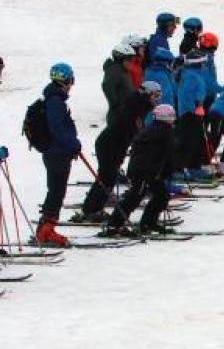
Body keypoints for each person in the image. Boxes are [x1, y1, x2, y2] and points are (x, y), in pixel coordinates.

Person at [75, 80, 161, 222]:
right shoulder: (137, 106)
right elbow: (130, 127)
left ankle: (93, 208)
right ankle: (91, 210)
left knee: (108, 177)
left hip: (114, 145)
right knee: (107, 177)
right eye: (155, 95)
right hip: (109, 145)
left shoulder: (139, 104)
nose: (156, 100)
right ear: (148, 93)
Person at [102, 104, 178, 237]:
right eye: (172, 116)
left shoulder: (152, 129)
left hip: (145, 169)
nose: (174, 119)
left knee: (161, 195)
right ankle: (114, 225)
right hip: (146, 171)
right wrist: (169, 170)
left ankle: (148, 223)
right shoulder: (166, 131)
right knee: (135, 196)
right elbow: (168, 154)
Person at [35, 62, 81, 247]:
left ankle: (46, 229)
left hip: (56, 152)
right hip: (57, 153)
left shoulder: (54, 99)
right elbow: (58, 129)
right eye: (71, 80)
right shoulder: (55, 101)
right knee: (56, 191)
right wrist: (73, 144)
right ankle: (46, 231)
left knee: (56, 190)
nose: (71, 84)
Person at [173, 35, 214, 179]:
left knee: (197, 140)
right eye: (202, 62)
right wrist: (196, 106)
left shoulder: (193, 74)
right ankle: (182, 168)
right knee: (189, 140)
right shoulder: (191, 75)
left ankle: (193, 166)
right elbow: (187, 94)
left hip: (193, 111)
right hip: (190, 113)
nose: (204, 65)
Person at [101, 38, 139, 127]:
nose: (131, 62)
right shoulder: (114, 72)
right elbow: (107, 88)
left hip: (125, 114)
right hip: (118, 116)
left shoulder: (123, 71)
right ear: (121, 59)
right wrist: (117, 106)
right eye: (129, 59)